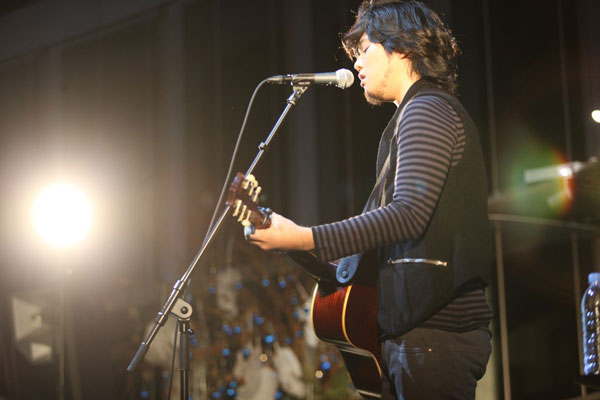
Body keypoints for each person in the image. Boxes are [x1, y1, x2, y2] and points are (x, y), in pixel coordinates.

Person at [245, 1, 492, 398]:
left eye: (364, 49)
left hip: (435, 334)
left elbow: (408, 214)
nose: (357, 62)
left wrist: (304, 236)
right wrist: (292, 243)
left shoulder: (427, 109)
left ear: (403, 46)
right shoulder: (410, 118)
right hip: (416, 337)